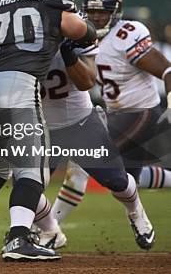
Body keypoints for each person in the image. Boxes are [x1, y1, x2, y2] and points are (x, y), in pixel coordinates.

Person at [0, 0, 96, 261]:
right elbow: (78, 29)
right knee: (33, 169)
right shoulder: (49, 1)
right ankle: (19, 238)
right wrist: (83, 31)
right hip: (18, 88)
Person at [46, 0, 171, 235]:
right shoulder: (81, 34)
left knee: (83, 163)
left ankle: (49, 230)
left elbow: (168, 70)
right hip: (114, 113)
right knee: (128, 179)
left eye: (102, 12)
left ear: (116, 11)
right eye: (91, 12)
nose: (96, 17)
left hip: (142, 113)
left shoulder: (127, 34)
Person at [30, 37, 156, 251]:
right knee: (27, 186)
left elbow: (88, 81)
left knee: (117, 181)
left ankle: (136, 212)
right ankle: (47, 230)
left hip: (81, 124)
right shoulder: (18, 40)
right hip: (42, 128)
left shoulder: (70, 33)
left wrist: (69, 55)